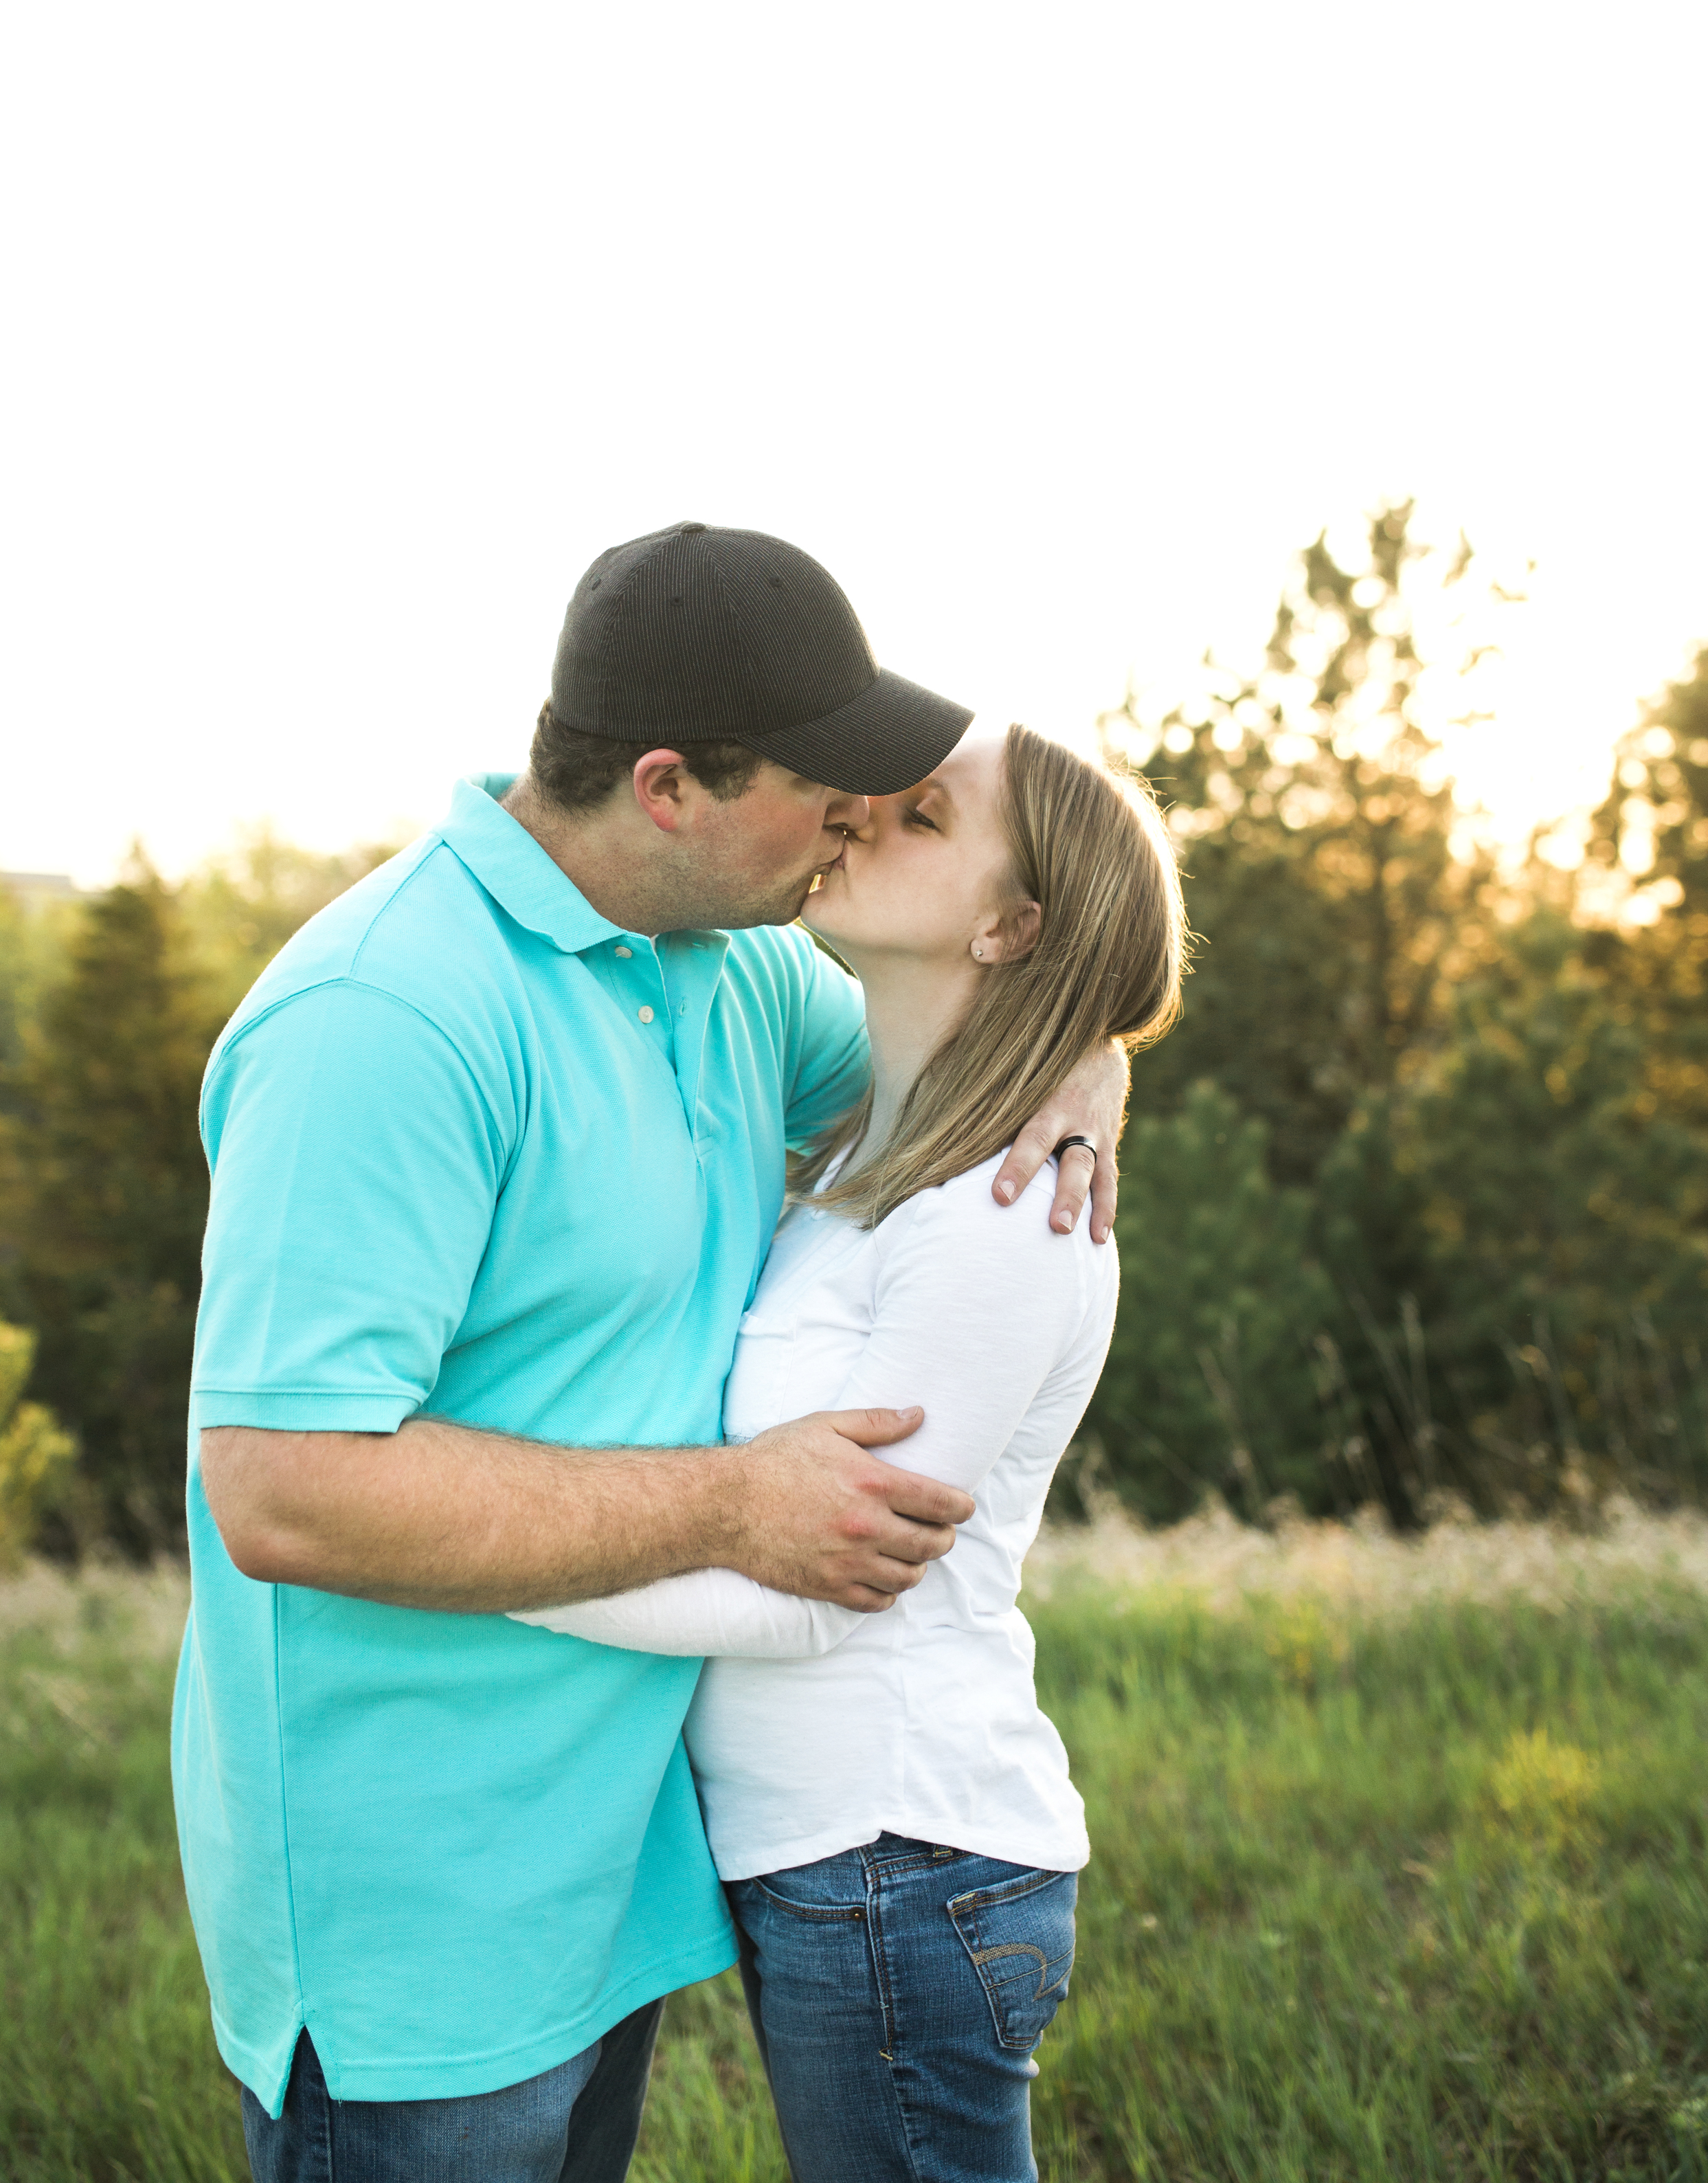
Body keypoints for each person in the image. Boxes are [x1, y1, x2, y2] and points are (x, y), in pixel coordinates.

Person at [177, 521, 1131, 2183]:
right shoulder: (383, 1021)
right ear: (672, 786)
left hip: (618, 1870)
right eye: (824, 784)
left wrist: (1092, 1060)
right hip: (416, 1906)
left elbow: (973, 1042)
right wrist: (725, 1506)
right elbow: (283, 1490)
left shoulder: (739, 971)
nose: (851, 818)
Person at [515, 720, 1184, 2182]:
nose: (859, 814)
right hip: (825, 1852)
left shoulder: (1005, 1217)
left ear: (1009, 926)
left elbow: (823, 1583)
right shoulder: (852, 1164)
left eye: (923, 817)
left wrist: (470, 1558)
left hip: (900, 1856)